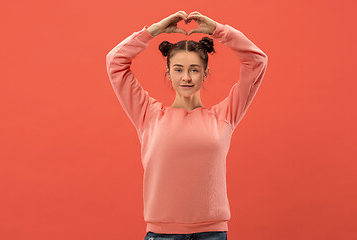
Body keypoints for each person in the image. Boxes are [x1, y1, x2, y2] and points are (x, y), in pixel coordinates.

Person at [106, 10, 268, 240]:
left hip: (211, 234)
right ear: (168, 73)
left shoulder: (224, 116)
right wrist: (153, 30)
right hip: (161, 235)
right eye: (178, 70)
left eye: (194, 70)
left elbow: (257, 61)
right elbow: (114, 62)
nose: (186, 78)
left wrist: (218, 30)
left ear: (205, 74)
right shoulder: (148, 115)